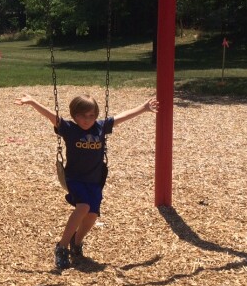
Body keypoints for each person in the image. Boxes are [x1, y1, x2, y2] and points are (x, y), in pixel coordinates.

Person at [14, 92, 159, 270]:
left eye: (91, 115)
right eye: (82, 115)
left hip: (94, 180)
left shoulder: (100, 127)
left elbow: (122, 117)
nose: (87, 119)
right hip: (75, 178)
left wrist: (143, 108)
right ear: (74, 115)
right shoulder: (69, 128)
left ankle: (77, 242)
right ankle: (62, 246)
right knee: (83, 207)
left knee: (92, 215)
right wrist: (33, 102)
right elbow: (52, 116)